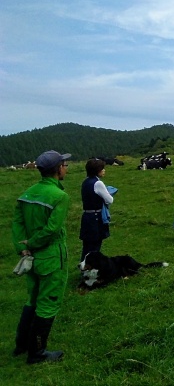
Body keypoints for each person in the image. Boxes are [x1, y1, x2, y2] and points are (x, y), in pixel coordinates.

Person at [12, 150, 71, 364]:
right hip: (52, 257)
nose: (66, 167)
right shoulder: (60, 196)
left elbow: (17, 223)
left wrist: (23, 247)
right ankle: (37, 352)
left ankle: (21, 344)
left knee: (32, 299)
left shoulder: (27, 193)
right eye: (64, 164)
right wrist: (35, 243)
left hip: (32, 258)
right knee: (48, 302)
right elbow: (52, 230)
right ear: (57, 169)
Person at [79, 158, 114, 262]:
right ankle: (91, 269)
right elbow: (109, 200)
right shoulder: (98, 183)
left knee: (87, 245)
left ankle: (83, 266)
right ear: (97, 170)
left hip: (86, 216)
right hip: (96, 217)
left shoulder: (85, 182)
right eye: (102, 168)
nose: (104, 170)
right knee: (95, 246)